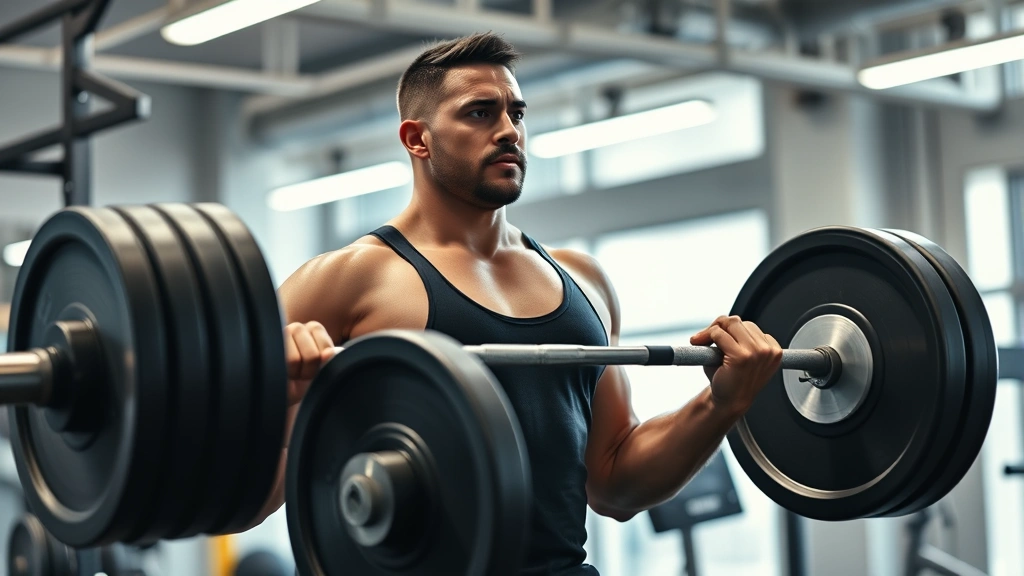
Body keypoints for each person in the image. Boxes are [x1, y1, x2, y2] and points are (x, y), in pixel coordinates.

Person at [255, 33, 782, 575]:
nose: (509, 131)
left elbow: (616, 485)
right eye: (480, 113)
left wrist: (721, 405)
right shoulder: (347, 279)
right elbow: (245, 503)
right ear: (418, 139)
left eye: (516, 112)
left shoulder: (585, 281)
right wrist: (290, 403)